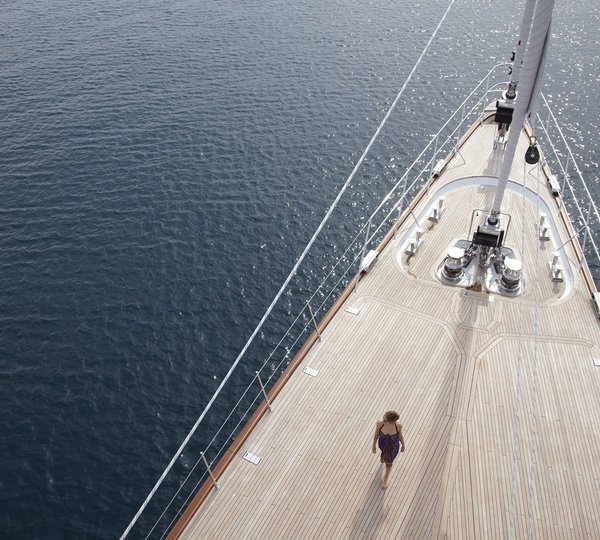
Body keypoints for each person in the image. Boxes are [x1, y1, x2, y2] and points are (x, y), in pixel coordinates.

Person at [372, 410, 405, 488]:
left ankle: (385, 478)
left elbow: (400, 435)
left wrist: (403, 445)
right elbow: (376, 434)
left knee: (389, 462)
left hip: (393, 447)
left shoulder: (398, 426)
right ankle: (383, 457)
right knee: (383, 455)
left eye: (385, 419)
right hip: (382, 444)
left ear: (391, 422)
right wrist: (374, 445)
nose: (383, 418)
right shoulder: (380, 424)